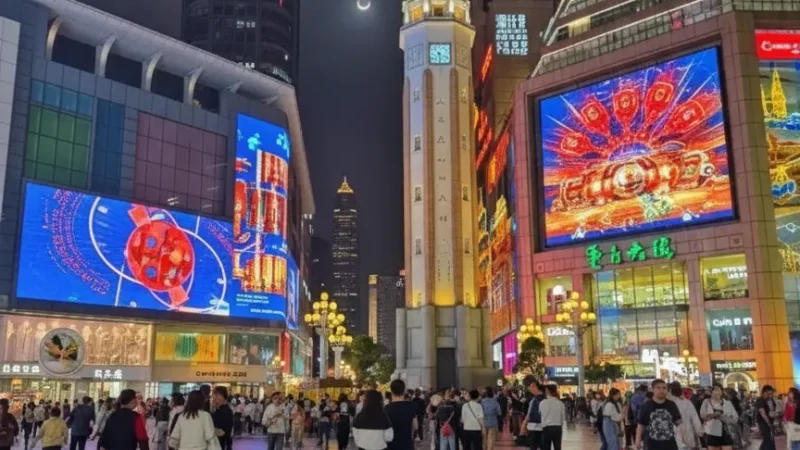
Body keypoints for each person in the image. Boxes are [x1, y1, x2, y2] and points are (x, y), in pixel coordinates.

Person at [635, 379, 682, 450]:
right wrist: (637, 440)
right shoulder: (646, 406)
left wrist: (682, 437)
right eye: (658, 388)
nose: (662, 390)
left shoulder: (672, 405)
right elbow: (641, 425)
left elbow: (678, 422)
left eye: (664, 388)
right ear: (653, 389)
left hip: (670, 444)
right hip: (653, 444)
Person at [701, 383, 739, 450]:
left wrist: (724, 418)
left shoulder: (727, 403)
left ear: (722, 391)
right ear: (711, 392)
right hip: (712, 432)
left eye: (719, 390)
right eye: (715, 390)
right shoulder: (706, 402)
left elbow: (735, 418)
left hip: (726, 432)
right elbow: (702, 415)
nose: (717, 392)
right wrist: (712, 415)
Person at [385, 379, 418, 450]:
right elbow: (416, 426)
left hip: (391, 446)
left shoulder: (386, 409)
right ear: (404, 391)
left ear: (391, 391)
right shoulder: (411, 406)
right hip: (407, 445)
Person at [668, 382, 702, 450]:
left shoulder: (668, 404)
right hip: (687, 433)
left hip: (673, 434)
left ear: (670, 391)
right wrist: (699, 431)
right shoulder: (687, 402)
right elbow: (695, 418)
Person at [539, 385, 565, 450]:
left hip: (547, 428)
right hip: (558, 428)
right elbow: (562, 418)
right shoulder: (560, 403)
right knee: (557, 447)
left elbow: (541, 414)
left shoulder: (543, 402)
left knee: (546, 447)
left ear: (548, 391)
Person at [522, 381, 545, 450]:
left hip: (534, 426)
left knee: (533, 445)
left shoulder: (534, 400)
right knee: (543, 445)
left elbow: (529, 414)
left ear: (536, 387)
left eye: (532, 386)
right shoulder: (545, 398)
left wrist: (524, 424)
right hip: (544, 425)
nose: (529, 388)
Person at [757, 385, 778, 450]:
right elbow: (762, 413)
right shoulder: (760, 400)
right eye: (769, 394)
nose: (771, 395)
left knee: (770, 441)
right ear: (764, 393)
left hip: (770, 423)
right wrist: (769, 424)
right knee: (768, 442)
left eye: (772, 394)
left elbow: (773, 410)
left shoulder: (770, 400)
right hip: (764, 424)